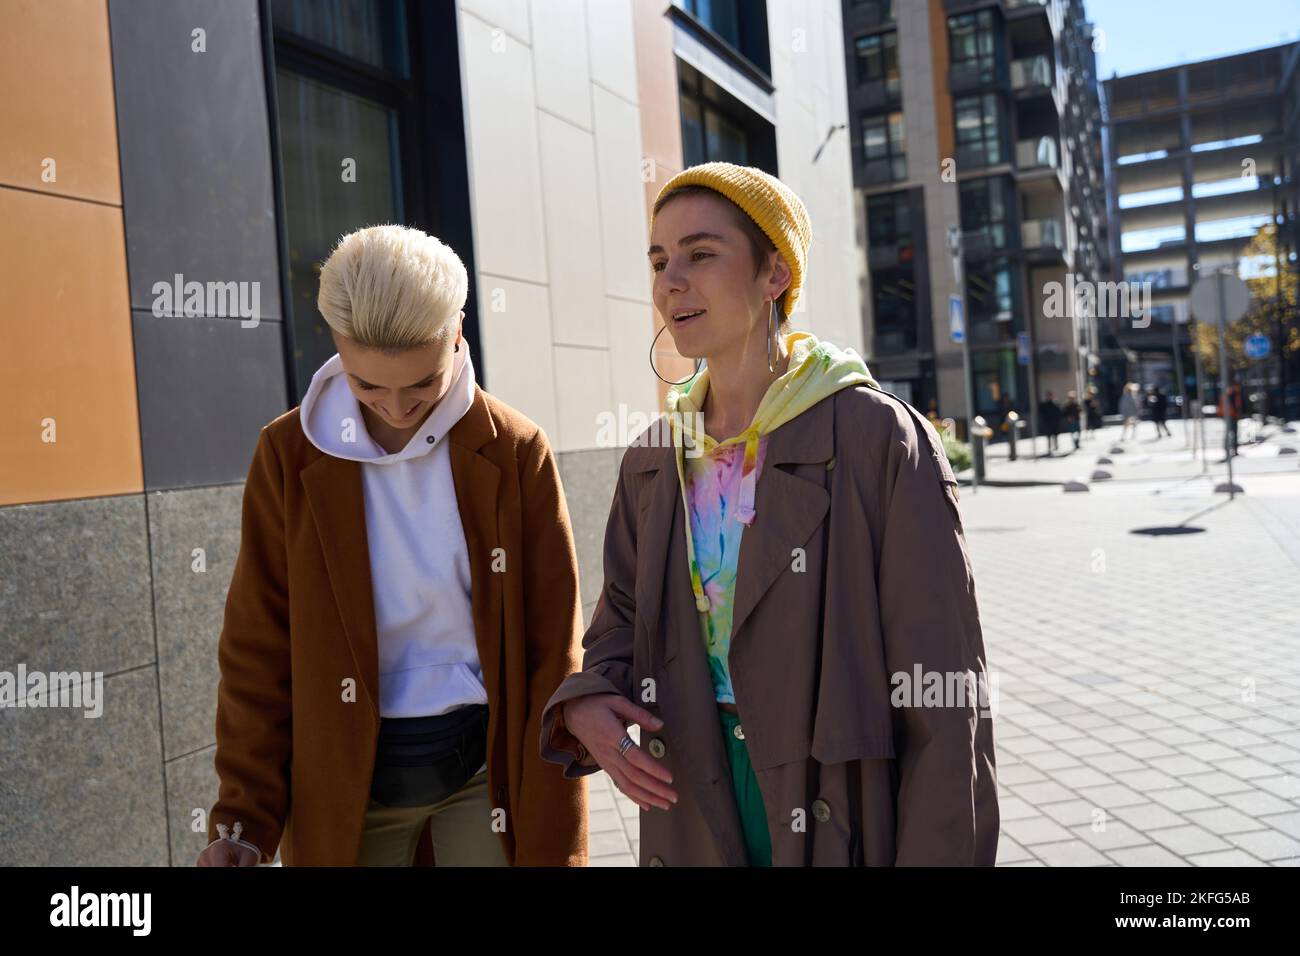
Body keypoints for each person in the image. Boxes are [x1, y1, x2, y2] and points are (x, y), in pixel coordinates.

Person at [538, 162, 998, 866]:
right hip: (691, 794)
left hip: (838, 805)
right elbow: (621, 622)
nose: (669, 281)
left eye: (700, 254)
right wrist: (587, 700)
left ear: (774, 274)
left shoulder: (878, 438)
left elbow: (944, 694)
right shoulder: (654, 458)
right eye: (660, 260)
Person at [200, 225, 587, 867]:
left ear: (459, 330)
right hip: (346, 779)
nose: (397, 410)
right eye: (368, 386)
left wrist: (553, 801)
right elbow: (257, 648)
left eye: (422, 384)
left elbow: (553, 646)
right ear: (336, 347)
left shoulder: (517, 451)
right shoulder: (287, 456)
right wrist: (241, 820)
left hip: (485, 775)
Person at [1218, 382, 1244, 456]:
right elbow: (1230, 406)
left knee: (1233, 433)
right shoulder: (1230, 394)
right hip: (1230, 416)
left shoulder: (1235, 394)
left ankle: (1234, 450)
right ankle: (1228, 449)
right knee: (1231, 433)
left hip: (1233, 415)